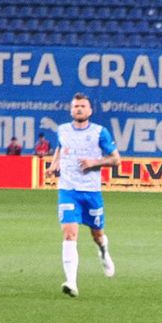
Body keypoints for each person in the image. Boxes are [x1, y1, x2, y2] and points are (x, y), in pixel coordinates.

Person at [48, 92, 120, 297]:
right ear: (71, 110)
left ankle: (103, 251)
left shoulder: (99, 132)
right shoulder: (62, 130)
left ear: (90, 110)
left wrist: (94, 163)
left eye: (82, 106)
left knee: (97, 234)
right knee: (69, 233)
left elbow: (116, 160)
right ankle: (71, 282)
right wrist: (54, 165)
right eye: (75, 106)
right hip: (68, 190)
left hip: (91, 192)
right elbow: (61, 148)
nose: (78, 109)